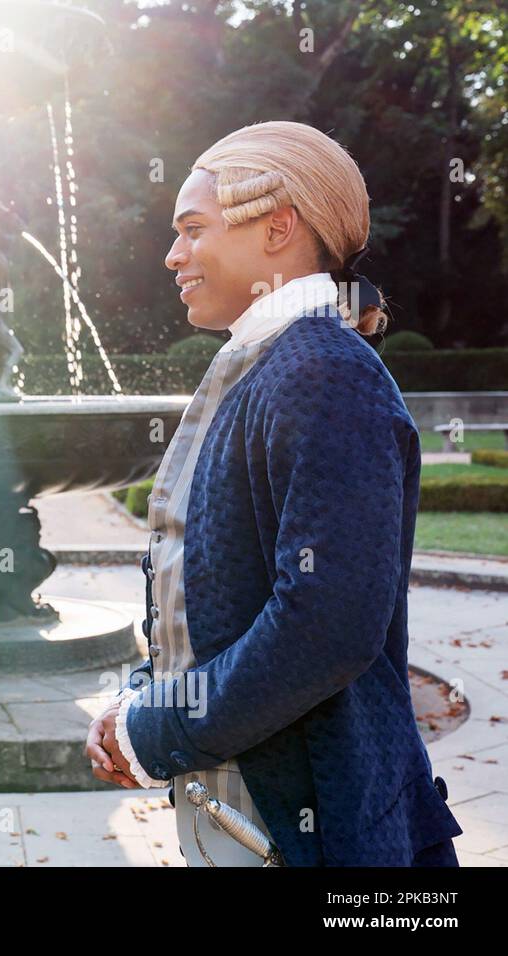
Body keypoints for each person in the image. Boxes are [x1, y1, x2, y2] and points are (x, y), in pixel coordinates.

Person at [84, 120, 463, 867]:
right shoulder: (270, 363)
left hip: (317, 824)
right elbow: (208, 597)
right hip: (257, 810)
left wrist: (154, 729)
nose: (173, 255)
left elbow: (325, 625)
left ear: (278, 227)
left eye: (193, 230)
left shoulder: (323, 370)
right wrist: (138, 701)